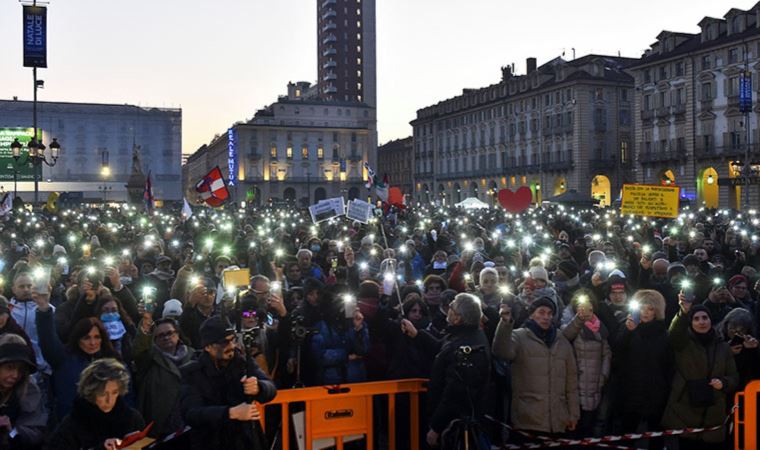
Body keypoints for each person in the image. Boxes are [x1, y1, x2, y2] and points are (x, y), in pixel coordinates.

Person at [179, 316, 276, 450]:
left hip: (246, 440)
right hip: (210, 442)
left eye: (233, 340)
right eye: (224, 342)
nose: (231, 346)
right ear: (208, 347)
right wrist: (230, 413)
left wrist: (259, 387)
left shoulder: (243, 362)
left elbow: (271, 389)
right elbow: (192, 413)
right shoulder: (192, 372)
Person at [492, 296, 580, 437]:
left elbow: (571, 382)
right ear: (532, 314)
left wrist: (573, 415)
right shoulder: (518, 337)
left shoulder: (561, 340)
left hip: (558, 420)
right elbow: (501, 351)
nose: (546, 317)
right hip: (528, 420)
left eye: (550, 313)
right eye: (541, 312)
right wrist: (505, 323)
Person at [662, 299, 739, 450]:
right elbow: (674, 332)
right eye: (696, 319)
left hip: (714, 412)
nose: (701, 322)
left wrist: (723, 383)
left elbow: (734, 377)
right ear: (690, 322)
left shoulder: (723, 347)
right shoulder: (682, 343)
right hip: (684, 411)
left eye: (705, 317)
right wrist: (683, 312)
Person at [34, 288, 121, 420]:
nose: (92, 342)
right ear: (77, 338)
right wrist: (44, 308)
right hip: (70, 425)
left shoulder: (112, 360)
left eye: (97, 337)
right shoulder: (63, 358)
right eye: (86, 338)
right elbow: (47, 338)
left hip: (106, 423)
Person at [424, 293, 491, 448]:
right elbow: (440, 347)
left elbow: (455, 392)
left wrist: (436, 426)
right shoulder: (462, 335)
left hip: (459, 427)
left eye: (452, 307)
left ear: (458, 317)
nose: (448, 309)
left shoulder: (468, 346)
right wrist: (417, 334)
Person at [49, 358, 145, 450]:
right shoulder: (73, 424)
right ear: (91, 392)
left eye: (114, 392)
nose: (109, 400)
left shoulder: (133, 419)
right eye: (103, 394)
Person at [133, 317, 192, 438]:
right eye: (160, 335)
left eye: (169, 333)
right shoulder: (150, 360)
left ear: (177, 334)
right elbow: (138, 353)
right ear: (154, 340)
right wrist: (144, 331)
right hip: (162, 427)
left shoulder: (193, 356)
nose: (166, 337)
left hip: (189, 422)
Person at [0, 334, 47, 449]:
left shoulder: (30, 392)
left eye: (21, 369)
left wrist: (12, 431)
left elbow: (36, 433)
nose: (15, 375)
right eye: (10, 367)